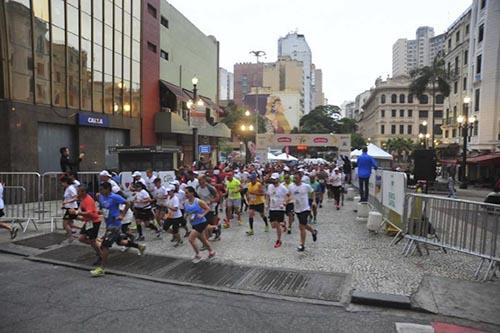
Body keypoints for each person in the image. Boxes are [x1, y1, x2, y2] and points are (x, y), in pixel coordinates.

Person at [91, 182, 145, 277]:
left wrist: (122, 215)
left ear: (108, 189)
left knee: (105, 245)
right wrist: (99, 211)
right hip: (108, 224)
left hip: (115, 225)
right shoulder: (101, 196)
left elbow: (127, 203)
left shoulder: (114, 197)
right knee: (120, 242)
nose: (100, 191)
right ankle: (140, 246)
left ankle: (102, 269)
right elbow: (103, 207)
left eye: (102, 189)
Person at [184, 186, 216, 263]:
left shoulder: (198, 201)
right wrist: (185, 217)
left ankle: (198, 255)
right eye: (185, 193)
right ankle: (211, 252)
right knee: (203, 239)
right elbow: (187, 212)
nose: (186, 194)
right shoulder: (186, 202)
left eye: (187, 193)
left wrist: (202, 215)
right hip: (194, 223)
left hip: (201, 223)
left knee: (191, 239)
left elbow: (208, 208)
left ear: (192, 193)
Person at [288, 172, 318, 252]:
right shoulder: (291, 186)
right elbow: (289, 194)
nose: (295, 179)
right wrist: (287, 200)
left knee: (301, 227)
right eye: (294, 178)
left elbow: (313, 192)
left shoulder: (306, 186)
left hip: (305, 209)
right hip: (297, 208)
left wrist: (314, 201)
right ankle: (313, 231)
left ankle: (302, 245)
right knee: (304, 225)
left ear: (300, 178)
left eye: (296, 178)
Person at [76, 186, 102, 265]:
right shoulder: (82, 198)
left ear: (84, 192)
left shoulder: (88, 200)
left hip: (94, 222)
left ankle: (100, 254)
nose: (77, 193)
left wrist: (78, 213)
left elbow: (90, 212)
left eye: (79, 191)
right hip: (88, 222)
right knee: (81, 238)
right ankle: (98, 246)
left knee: (92, 240)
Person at [266, 173, 290, 248]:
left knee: (276, 225)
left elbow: (289, 195)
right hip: (272, 208)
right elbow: (267, 195)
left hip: (280, 208)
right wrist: (267, 203)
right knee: (273, 225)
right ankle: (283, 223)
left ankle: (279, 240)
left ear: (278, 179)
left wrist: (285, 202)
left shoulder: (282, 187)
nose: (273, 180)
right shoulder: (270, 186)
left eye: (275, 179)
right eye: (272, 179)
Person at [196, 176, 221, 241]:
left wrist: (210, 201)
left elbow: (217, 197)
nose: (199, 182)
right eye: (198, 180)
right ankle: (208, 236)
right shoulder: (198, 187)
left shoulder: (210, 188)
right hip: (203, 208)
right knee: (205, 223)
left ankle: (216, 230)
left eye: (200, 180)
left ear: (204, 179)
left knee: (210, 223)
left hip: (212, 207)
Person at [60, 176, 79, 242]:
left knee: (65, 224)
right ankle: (82, 230)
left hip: (72, 208)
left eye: (62, 183)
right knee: (70, 223)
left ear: (65, 182)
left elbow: (76, 198)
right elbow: (67, 198)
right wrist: (64, 204)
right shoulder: (68, 188)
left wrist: (67, 202)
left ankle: (70, 236)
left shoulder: (71, 188)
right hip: (69, 207)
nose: (62, 184)